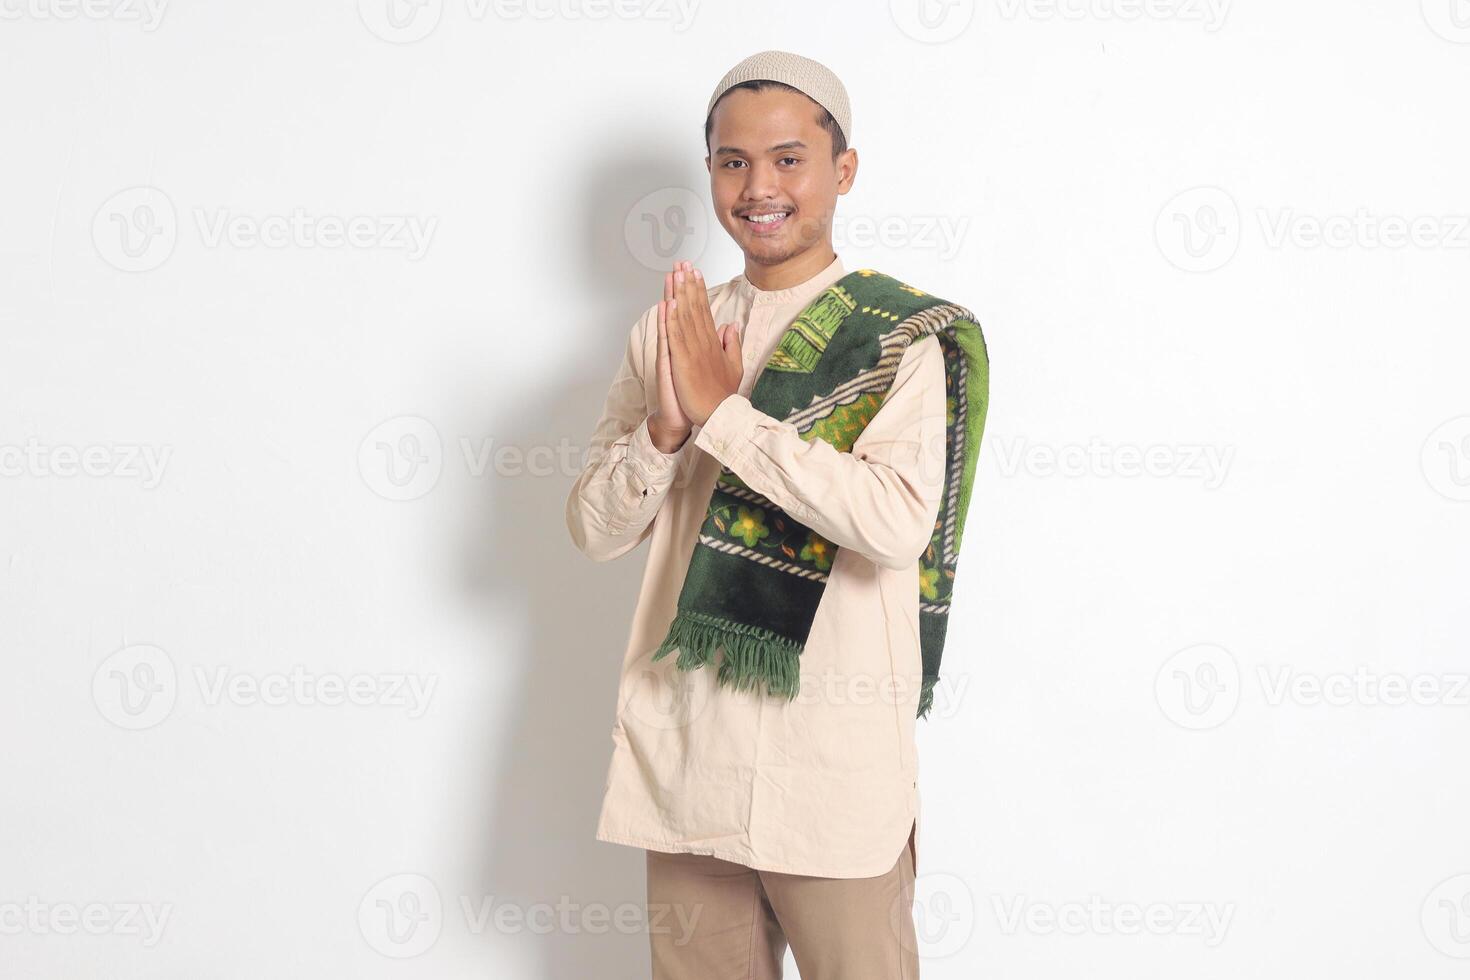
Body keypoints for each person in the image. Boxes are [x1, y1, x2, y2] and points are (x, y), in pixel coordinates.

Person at [566, 50, 988, 979]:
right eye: (731, 162)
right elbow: (593, 529)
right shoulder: (669, 328)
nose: (759, 187)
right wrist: (668, 436)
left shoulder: (897, 339)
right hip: (686, 757)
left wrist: (727, 418)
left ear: (843, 170)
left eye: (789, 159)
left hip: (830, 768)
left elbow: (892, 522)